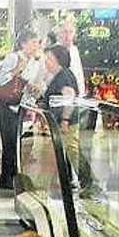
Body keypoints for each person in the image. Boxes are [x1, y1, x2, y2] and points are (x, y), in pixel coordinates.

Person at [0, 30, 45, 190]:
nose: (36, 45)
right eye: (33, 42)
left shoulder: (36, 62)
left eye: (37, 42)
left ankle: (14, 177)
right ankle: (7, 178)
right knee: (9, 142)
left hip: (22, 108)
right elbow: (2, 80)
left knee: (17, 143)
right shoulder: (13, 58)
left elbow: (37, 85)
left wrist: (35, 90)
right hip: (7, 106)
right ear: (23, 43)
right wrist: (18, 69)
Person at [41, 44, 82, 181]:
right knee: (71, 152)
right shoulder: (58, 75)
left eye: (49, 58)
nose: (46, 61)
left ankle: (87, 181)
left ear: (58, 59)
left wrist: (65, 119)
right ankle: (86, 181)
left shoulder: (64, 75)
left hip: (66, 123)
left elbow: (69, 96)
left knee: (70, 152)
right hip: (61, 122)